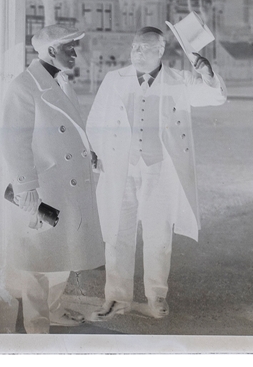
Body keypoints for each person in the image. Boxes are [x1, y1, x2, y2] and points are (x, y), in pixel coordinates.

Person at [86, 26, 227, 320]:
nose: (136, 53)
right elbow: (96, 119)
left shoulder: (180, 80)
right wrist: (96, 153)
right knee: (117, 234)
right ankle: (116, 297)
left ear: (160, 51)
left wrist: (209, 75)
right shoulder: (115, 79)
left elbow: (215, 98)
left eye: (144, 48)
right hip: (120, 169)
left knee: (158, 235)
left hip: (161, 169)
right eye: (134, 47)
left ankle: (156, 295)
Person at [1, 24, 104, 333]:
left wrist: (90, 152)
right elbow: (14, 141)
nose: (76, 53)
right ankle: (36, 328)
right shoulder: (23, 86)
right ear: (50, 51)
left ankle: (55, 308)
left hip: (66, 185)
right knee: (37, 261)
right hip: (44, 187)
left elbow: (72, 127)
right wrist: (26, 188)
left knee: (63, 254)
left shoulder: (60, 82)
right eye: (70, 47)